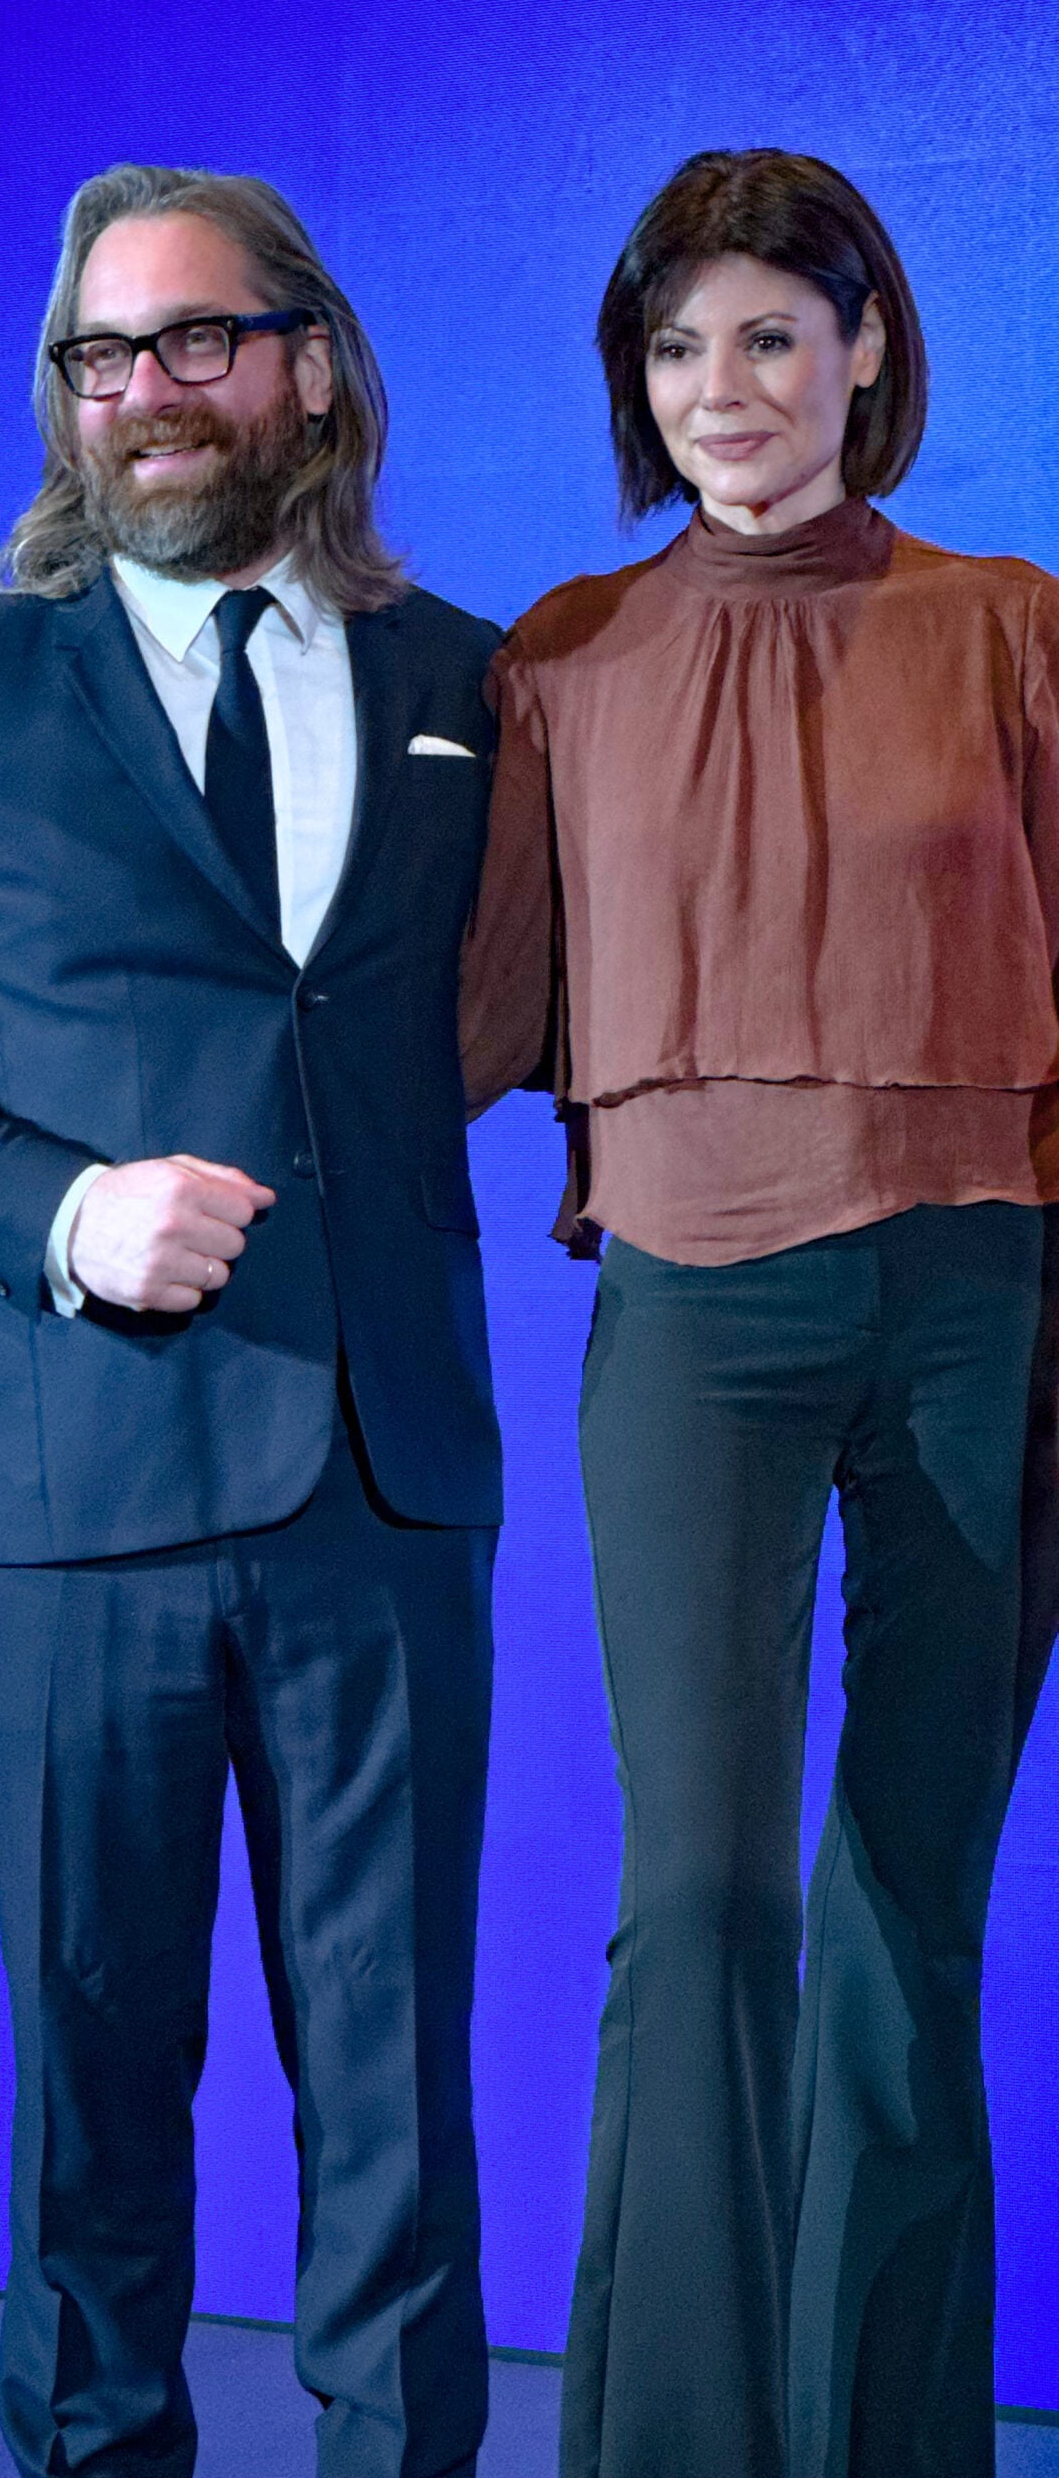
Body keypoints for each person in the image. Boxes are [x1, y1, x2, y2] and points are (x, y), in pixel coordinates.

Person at [0, 163, 536, 2478]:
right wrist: (69, 1209)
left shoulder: (473, 682)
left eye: (197, 339)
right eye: (101, 354)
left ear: (314, 366)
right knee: (95, 2078)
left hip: (385, 1488)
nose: (146, 392)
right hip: (70, 1489)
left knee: (395, 2085)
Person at [461, 147, 1059, 2478]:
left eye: (770, 338)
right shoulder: (562, 660)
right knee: (701, 1896)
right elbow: (465, 1015)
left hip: (982, 1302)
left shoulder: (1011, 629)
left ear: (865, 348)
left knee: (909, 1909)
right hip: (692, 1313)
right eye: (676, 346)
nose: (722, 389)